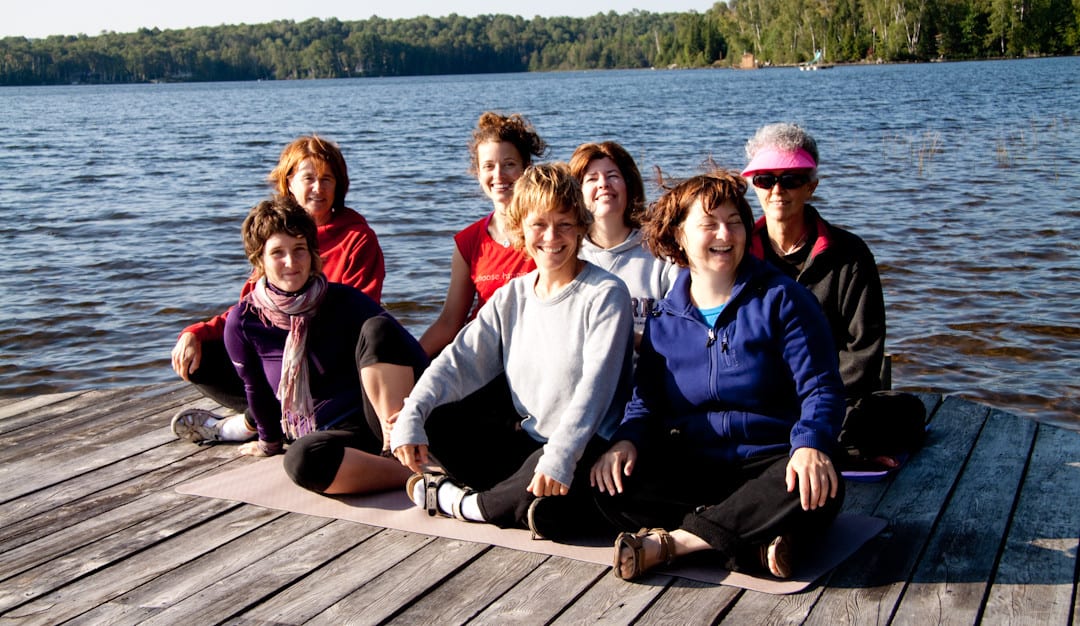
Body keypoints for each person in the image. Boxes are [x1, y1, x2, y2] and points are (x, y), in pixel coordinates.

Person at [589, 170, 846, 581]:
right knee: (610, 482)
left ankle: (677, 543)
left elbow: (821, 387)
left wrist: (811, 443)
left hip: (773, 460)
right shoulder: (664, 317)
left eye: (734, 222)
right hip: (696, 463)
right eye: (708, 224)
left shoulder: (783, 300)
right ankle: (751, 543)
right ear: (679, 236)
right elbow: (646, 402)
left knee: (815, 487)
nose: (725, 234)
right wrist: (626, 440)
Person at [391, 163, 634, 536]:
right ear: (520, 228)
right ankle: (517, 501)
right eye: (539, 224)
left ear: (582, 227)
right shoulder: (513, 295)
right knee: (434, 419)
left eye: (565, 224)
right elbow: (457, 361)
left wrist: (560, 457)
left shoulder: (605, 294)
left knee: (547, 493)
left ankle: (462, 503)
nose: (552, 237)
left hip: (584, 445)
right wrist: (412, 412)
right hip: (526, 438)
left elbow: (595, 390)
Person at [171, 135, 386, 444]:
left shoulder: (357, 238)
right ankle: (271, 418)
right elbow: (251, 312)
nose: (318, 188)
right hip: (277, 360)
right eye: (309, 178)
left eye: (328, 179)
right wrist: (198, 331)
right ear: (289, 182)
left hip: (329, 363)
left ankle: (249, 423)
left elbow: (361, 318)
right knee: (200, 358)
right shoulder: (274, 234)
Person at [741, 123, 924, 469]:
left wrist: (815, 404)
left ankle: (814, 444)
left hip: (830, 400)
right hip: (759, 399)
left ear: (811, 186)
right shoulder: (738, 254)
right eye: (766, 179)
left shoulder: (850, 255)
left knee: (905, 412)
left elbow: (864, 351)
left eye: (791, 179)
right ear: (754, 186)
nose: (777, 190)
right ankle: (829, 450)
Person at [223, 196, 427, 495]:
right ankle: (413, 476)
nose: (291, 262)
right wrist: (269, 442)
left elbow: (410, 355)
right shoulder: (243, 321)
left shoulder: (345, 300)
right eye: (278, 253)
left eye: (299, 250)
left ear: (313, 253)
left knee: (379, 328)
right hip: (332, 435)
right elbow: (256, 389)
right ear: (259, 260)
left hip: (379, 421)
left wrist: (416, 413)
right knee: (301, 460)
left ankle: (401, 447)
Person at [418, 112, 548, 358]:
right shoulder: (469, 241)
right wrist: (412, 359)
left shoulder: (550, 232)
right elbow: (449, 322)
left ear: (526, 169)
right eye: (489, 166)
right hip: (482, 353)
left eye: (509, 164)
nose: (499, 175)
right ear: (478, 173)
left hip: (535, 352)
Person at [569, 141, 678, 349]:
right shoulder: (568, 254)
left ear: (629, 186)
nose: (603, 184)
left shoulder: (661, 253)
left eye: (613, 176)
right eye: (592, 179)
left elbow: (678, 329)